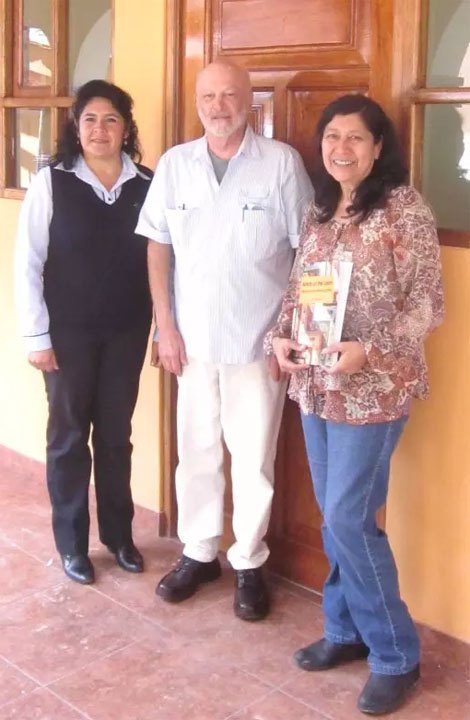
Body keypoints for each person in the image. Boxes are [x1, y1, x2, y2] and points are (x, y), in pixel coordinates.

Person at [268, 94, 444, 714]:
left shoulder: (404, 208)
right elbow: (300, 288)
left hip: (374, 389)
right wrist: (283, 337)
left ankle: (396, 654)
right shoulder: (321, 209)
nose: (340, 148)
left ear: (377, 147)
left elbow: (428, 304)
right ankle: (343, 631)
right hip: (316, 385)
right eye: (332, 137)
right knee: (337, 514)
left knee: (347, 519)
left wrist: (369, 350)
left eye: (355, 138)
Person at [136, 61, 313, 621]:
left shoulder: (280, 164)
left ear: (248, 101)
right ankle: (198, 551)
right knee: (196, 453)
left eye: (229, 95)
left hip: (260, 343)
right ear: (196, 102)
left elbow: (308, 252)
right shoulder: (175, 165)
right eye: (208, 96)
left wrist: (290, 332)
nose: (219, 105)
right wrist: (164, 325)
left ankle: (249, 562)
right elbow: (157, 245)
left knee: (253, 459)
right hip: (189, 342)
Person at [15, 80, 153, 585]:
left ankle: (119, 537)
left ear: (125, 128)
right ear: (77, 127)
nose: (100, 129)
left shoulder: (147, 185)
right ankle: (72, 544)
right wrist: (37, 337)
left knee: (116, 437)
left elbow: (163, 263)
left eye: (111, 119)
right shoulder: (52, 182)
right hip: (66, 336)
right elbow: (28, 261)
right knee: (70, 437)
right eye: (91, 119)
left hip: (127, 332)